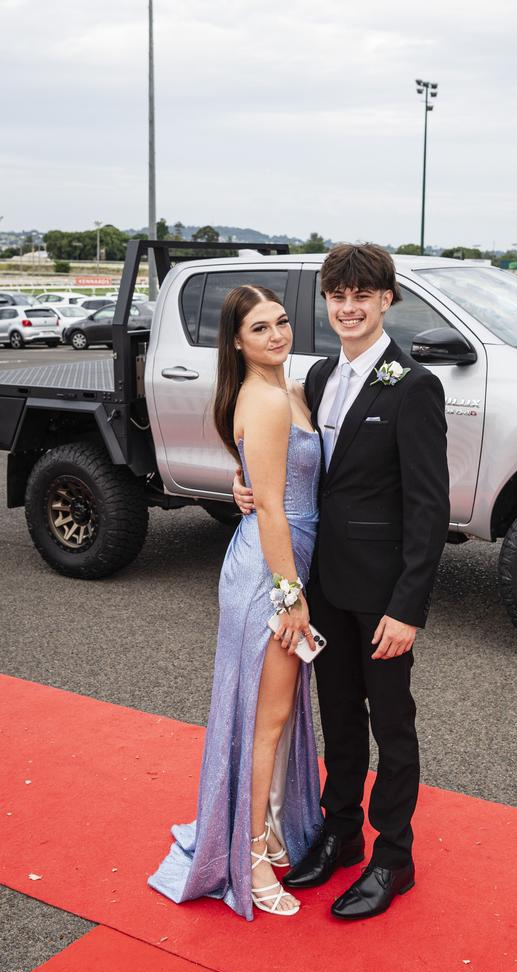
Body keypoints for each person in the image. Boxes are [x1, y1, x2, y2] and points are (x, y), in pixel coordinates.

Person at [234, 244, 449, 920]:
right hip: (323, 584)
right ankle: (342, 833)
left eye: (363, 294)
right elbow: (298, 469)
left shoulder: (413, 385)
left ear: (388, 299)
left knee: (392, 723)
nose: (348, 307)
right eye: (337, 296)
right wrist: (248, 489)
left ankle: (394, 858)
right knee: (338, 719)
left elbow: (429, 506)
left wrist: (409, 607)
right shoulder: (321, 375)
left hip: (384, 596)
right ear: (327, 302)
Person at [148, 285, 323, 919]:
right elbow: (274, 506)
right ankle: (247, 860)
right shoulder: (268, 399)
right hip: (269, 575)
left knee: (272, 716)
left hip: (276, 558)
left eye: (280, 322)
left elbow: (260, 478)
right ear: (237, 342)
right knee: (266, 722)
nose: (277, 335)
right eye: (260, 328)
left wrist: (240, 479)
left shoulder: (286, 391)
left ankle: (269, 831)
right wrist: (290, 595)